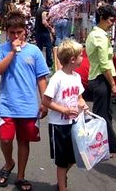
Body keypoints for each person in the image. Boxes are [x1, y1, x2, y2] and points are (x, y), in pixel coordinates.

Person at [0, 10, 50, 191]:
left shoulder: (34, 51)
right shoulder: (0, 50)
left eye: (19, 32)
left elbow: (41, 78)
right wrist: (12, 53)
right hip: (7, 104)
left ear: (25, 30)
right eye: (12, 33)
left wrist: (45, 101)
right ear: (6, 32)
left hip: (28, 106)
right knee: (6, 139)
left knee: (24, 141)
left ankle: (21, 176)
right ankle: (9, 163)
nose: (16, 36)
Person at [42, 39, 88, 191]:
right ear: (73, 59)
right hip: (59, 126)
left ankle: (61, 179)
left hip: (74, 124)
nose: (83, 57)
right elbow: (46, 101)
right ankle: (62, 187)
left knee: (74, 156)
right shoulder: (57, 78)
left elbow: (79, 97)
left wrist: (82, 104)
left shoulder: (76, 77)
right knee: (62, 161)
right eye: (81, 55)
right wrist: (64, 111)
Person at [85, 4, 116, 155]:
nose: (112, 23)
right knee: (101, 115)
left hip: (99, 77)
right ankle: (99, 146)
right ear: (102, 19)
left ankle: (110, 145)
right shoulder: (99, 36)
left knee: (105, 114)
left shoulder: (97, 34)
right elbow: (104, 65)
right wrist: (113, 84)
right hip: (100, 78)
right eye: (111, 20)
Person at [34, 0, 54, 68]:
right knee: (48, 47)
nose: (50, 5)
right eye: (49, 3)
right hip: (44, 32)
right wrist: (51, 28)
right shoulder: (44, 11)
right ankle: (49, 63)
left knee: (39, 48)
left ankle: (37, 62)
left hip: (38, 31)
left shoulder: (39, 9)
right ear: (45, 2)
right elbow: (44, 22)